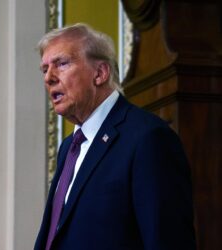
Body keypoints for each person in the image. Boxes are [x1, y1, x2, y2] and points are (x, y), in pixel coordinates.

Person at [34, 23, 196, 250]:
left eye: (61, 64)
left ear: (100, 73)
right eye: (44, 69)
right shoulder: (69, 147)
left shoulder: (148, 138)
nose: (49, 77)